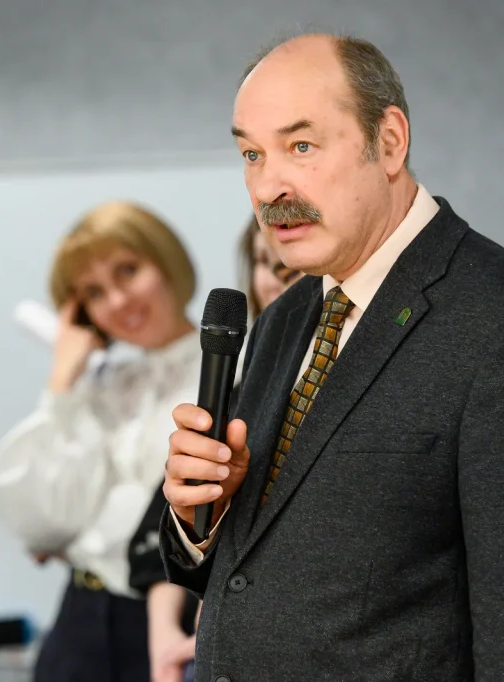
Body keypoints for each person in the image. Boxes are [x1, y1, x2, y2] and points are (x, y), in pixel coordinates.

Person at [160, 33, 504, 681]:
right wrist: (202, 514)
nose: (269, 186)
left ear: (390, 142)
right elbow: (253, 578)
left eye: (301, 146)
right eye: (252, 154)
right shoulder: (286, 318)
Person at [0, 201, 202, 682]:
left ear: (166, 260)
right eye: (94, 293)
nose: (118, 301)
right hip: (79, 618)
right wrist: (63, 377)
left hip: (168, 620)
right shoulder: (105, 387)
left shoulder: (234, 370)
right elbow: (41, 520)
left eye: (128, 271)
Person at [127, 213, 306, 682]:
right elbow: (165, 520)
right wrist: (165, 634)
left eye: (290, 264)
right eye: (266, 262)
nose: (277, 276)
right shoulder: (243, 387)